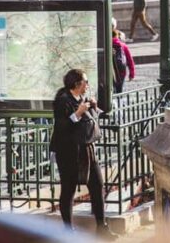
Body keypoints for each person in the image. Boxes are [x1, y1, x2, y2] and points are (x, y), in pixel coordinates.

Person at [49, 69, 114, 238]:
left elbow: (92, 120)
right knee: (68, 189)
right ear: (77, 84)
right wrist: (78, 113)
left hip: (86, 149)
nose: (88, 84)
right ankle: (68, 230)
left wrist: (92, 106)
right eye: (85, 81)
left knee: (97, 185)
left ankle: (102, 226)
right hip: (68, 151)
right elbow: (62, 127)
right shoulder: (63, 101)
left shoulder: (82, 98)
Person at [111, 28, 135, 93]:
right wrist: (131, 74)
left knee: (111, 89)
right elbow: (130, 60)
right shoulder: (123, 46)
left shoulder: (106, 45)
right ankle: (119, 100)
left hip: (110, 71)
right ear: (118, 36)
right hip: (121, 71)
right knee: (119, 89)